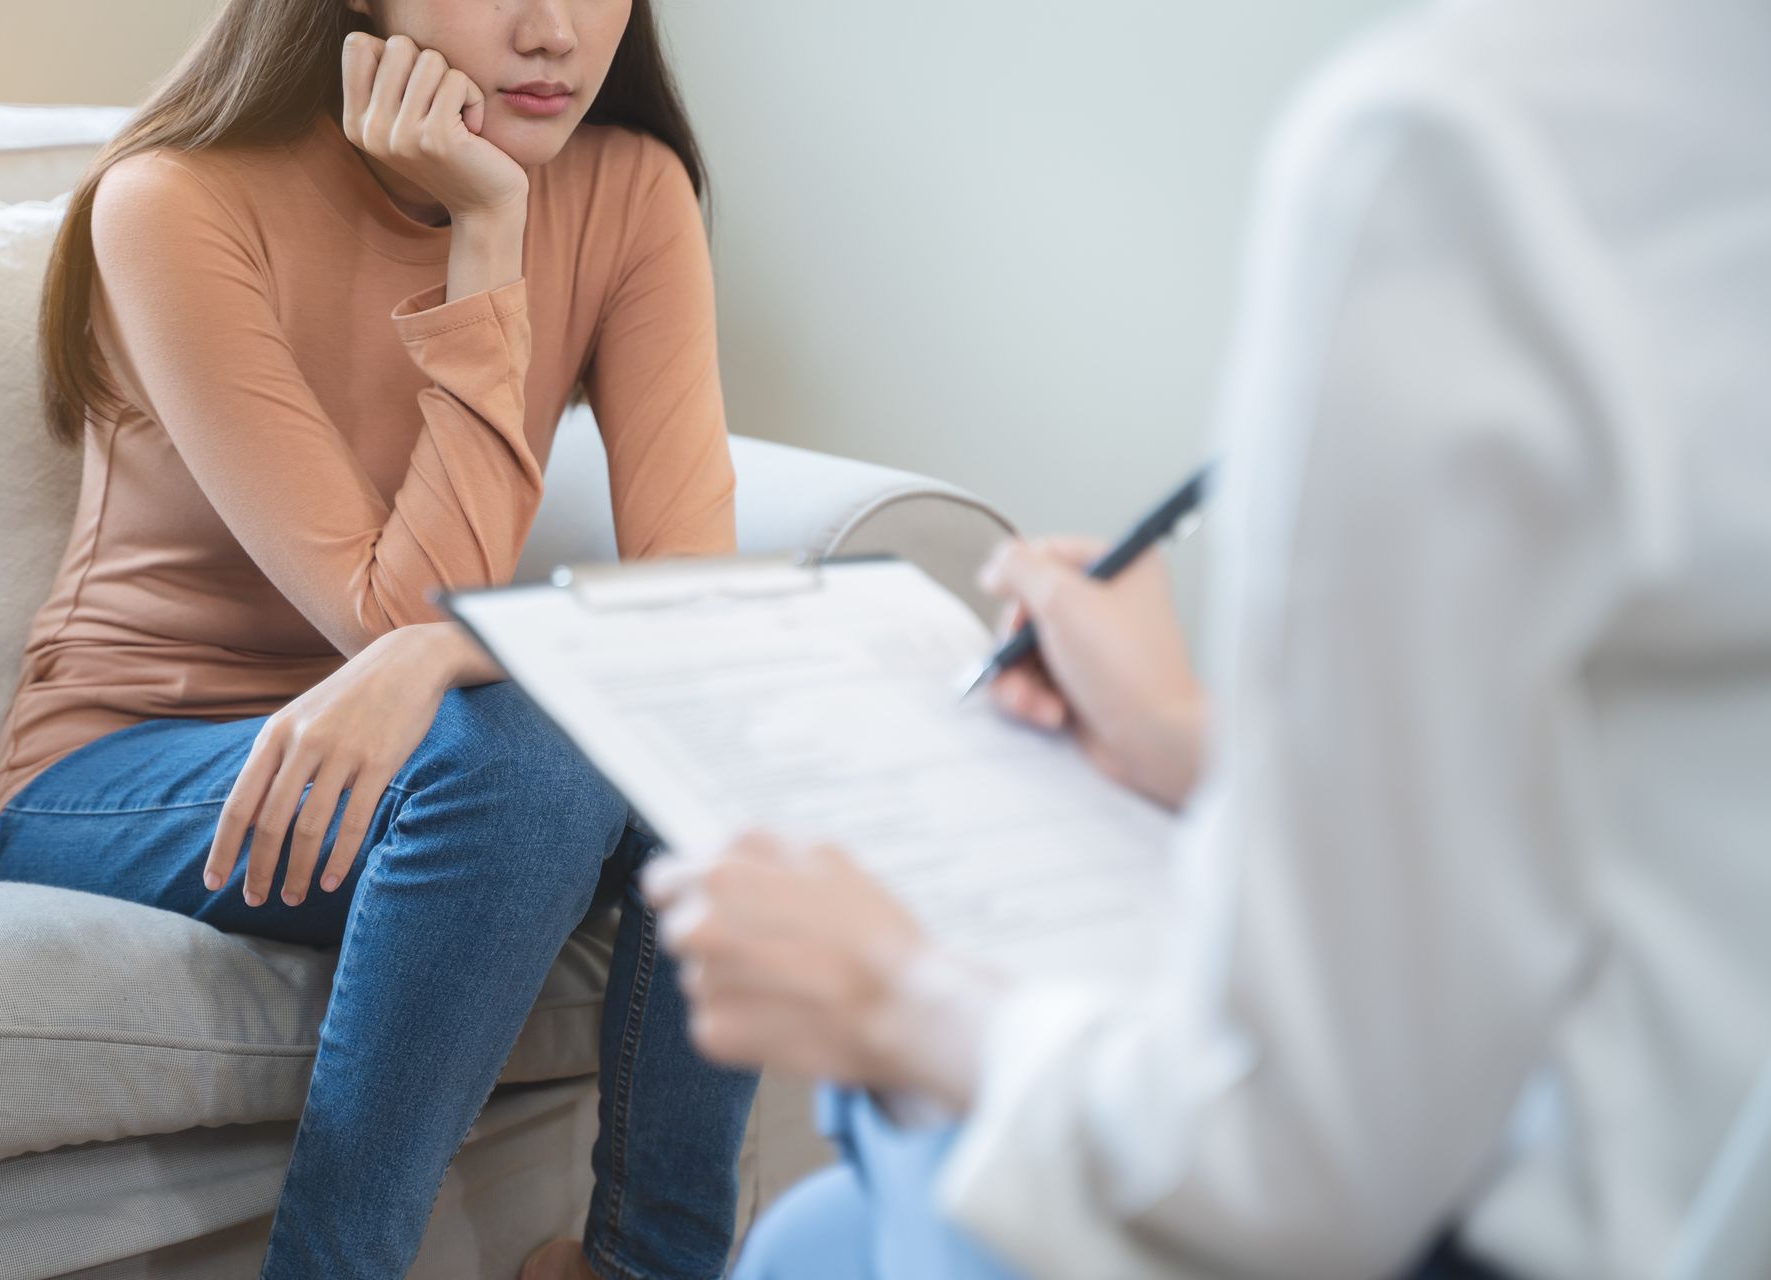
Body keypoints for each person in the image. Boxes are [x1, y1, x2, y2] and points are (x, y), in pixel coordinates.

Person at [643, 0, 1771, 1276]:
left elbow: (1294, 1161)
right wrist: (1190, 740)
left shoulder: (1461, 147)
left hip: (1532, 1219)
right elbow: (1664, 802)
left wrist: (893, 996)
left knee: (864, 1163)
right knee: (819, 1234)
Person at [0, 1, 750, 1277]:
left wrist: (453, 655)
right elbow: (389, 612)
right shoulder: (174, 199)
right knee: (523, 757)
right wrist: (487, 234)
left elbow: (696, 610)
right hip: (122, 767)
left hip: (432, 756)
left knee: (718, 735)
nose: (555, 30)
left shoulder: (629, 183)